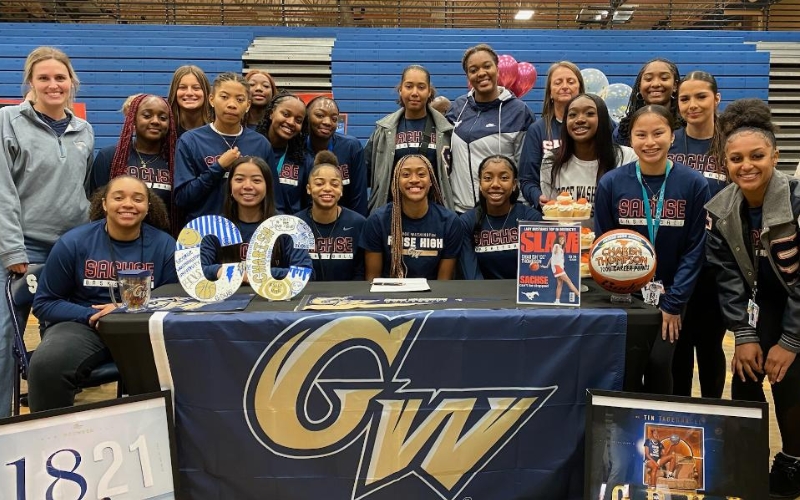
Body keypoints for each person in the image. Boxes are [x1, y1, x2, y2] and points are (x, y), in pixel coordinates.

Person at [705, 98, 800, 499]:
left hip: (794, 310)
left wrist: (791, 341)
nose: (747, 166)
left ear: (775, 156)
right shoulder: (720, 208)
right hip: (755, 308)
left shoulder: (795, 202)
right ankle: (745, 464)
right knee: (745, 377)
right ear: (725, 162)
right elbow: (727, 278)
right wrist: (743, 334)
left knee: (789, 381)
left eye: (757, 156)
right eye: (736, 158)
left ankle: (792, 462)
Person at [28, 176, 177, 412]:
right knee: (46, 365)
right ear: (104, 203)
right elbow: (45, 303)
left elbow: (174, 300)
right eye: (119, 197)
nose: (128, 204)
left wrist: (123, 311)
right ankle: (52, 442)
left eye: (138, 199)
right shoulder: (73, 243)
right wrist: (91, 315)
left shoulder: (165, 245)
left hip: (140, 328)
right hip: (85, 326)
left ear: (148, 207)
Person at [0, 46, 94, 418]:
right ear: (30, 82)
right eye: (44, 78)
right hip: (23, 249)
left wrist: (83, 245)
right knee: (6, 338)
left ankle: (56, 420)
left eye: (60, 77)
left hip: (68, 251)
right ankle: (5, 421)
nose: (53, 85)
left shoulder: (83, 129)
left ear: (72, 82)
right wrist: (12, 250)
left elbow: (83, 192)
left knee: (60, 340)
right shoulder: (7, 120)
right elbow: (3, 190)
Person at [595, 104, 710, 395]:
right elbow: (604, 244)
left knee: (660, 366)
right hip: (625, 297)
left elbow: (696, 248)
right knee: (628, 371)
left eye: (658, 133)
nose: (650, 142)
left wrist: (674, 303)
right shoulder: (611, 183)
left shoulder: (694, 184)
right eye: (641, 135)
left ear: (672, 136)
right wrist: (619, 291)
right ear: (630, 139)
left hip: (672, 294)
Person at [668, 71, 727, 398]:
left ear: (716, 99)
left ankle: (713, 413)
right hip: (677, 263)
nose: (693, 105)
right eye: (685, 98)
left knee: (710, 346)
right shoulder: (670, 141)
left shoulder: (730, 144)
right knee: (677, 346)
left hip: (716, 263)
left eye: (701, 97)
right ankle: (680, 416)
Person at [174, 72, 273, 224]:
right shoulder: (190, 141)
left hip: (247, 235)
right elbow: (182, 198)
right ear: (212, 100)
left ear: (247, 105)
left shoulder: (261, 144)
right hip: (203, 232)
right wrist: (218, 167)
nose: (232, 104)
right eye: (224, 97)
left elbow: (273, 198)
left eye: (240, 99)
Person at [448, 44, 534, 213]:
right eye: (473, 70)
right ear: (468, 76)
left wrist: (520, 209)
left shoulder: (519, 111)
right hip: (460, 213)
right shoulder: (456, 109)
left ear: (497, 69)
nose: (481, 73)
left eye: (487, 66)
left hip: (502, 214)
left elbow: (525, 170)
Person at [201, 156, 310, 282]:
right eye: (239, 179)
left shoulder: (289, 227)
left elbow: (305, 272)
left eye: (256, 181)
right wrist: (227, 272)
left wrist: (252, 274)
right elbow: (196, 271)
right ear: (230, 186)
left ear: (267, 187)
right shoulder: (213, 227)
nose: (247, 186)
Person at [365, 64, 455, 213]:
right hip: (391, 213)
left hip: (434, 214)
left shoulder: (446, 131)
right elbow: (364, 175)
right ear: (400, 90)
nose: (414, 92)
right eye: (409, 86)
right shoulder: (383, 130)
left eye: (421, 87)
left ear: (429, 92)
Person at [360, 155, 462, 280]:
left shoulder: (450, 222)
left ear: (431, 181)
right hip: (389, 296)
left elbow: (444, 282)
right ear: (396, 181)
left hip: (433, 296)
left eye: (421, 174)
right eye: (406, 175)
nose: (414, 180)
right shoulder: (377, 221)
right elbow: (373, 279)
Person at [540, 94, 637, 219]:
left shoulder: (627, 157)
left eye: (589, 113)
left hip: (613, 236)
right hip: (569, 237)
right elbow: (555, 215)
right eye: (572, 115)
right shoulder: (551, 160)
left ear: (602, 119)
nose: (579, 119)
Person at [90, 94, 178, 230]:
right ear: (133, 120)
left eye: (163, 118)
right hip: (114, 242)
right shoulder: (109, 156)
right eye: (147, 116)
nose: (155, 121)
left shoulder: (175, 161)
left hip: (160, 243)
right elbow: (97, 207)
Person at [460, 155, 542, 279]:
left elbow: (536, 271)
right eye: (488, 178)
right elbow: (472, 275)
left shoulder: (531, 219)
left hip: (522, 294)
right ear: (480, 184)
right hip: (482, 295)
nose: (495, 184)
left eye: (504, 178)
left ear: (514, 184)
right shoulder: (466, 222)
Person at [519, 61, 584, 208]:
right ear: (550, 91)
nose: (565, 86)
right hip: (552, 211)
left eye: (571, 81)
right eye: (558, 82)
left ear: (580, 88)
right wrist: (537, 196)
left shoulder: (597, 125)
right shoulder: (537, 130)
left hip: (588, 209)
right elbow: (527, 179)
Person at [295, 151, 366, 281]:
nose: (327, 188)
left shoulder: (358, 224)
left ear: (341, 190)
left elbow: (361, 274)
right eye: (319, 183)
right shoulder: (295, 224)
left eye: (334, 184)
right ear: (308, 188)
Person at [303, 96, 368, 215]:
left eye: (334, 118)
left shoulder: (351, 147)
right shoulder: (297, 148)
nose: (327, 122)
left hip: (344, 226)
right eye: (320, 115)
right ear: (306, 117)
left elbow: (359, 199)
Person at [256, 92, 313, 214]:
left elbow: (308, 206)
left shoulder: (304, 161)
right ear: (271, 113)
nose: (291, 122)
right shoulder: (251, 150)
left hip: (288, 228)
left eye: (298, 120)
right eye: (286, 114)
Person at [613, 58, 681, 147]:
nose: (655, 84)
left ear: (675, 86)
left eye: (664, 78)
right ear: (640, 87)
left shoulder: (688, 127)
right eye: (648, 79)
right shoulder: (623, 131)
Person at [168, 65, 212, 137]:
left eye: (196, 88)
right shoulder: (166, 128)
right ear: (174, 92)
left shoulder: (218, 128)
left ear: (206, 92)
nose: (189, 93)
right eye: (183, 87)